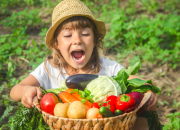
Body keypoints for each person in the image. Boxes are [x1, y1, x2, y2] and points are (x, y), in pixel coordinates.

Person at [10, 0, 157, 112]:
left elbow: (137, 81)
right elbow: (14, 91)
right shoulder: (50, 69)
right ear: (56, 43)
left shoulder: (108, 68)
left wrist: (148, 90)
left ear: (94, 40)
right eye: (68, 35)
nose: (77, 40)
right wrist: (25, 91)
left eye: (85, 34)